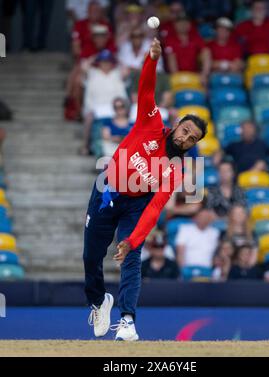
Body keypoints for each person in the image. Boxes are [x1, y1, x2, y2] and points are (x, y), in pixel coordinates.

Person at [83, 38, 207, 341]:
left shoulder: (175, 171)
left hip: (136, 206)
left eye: (192, 138)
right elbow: (146, 89)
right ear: (177, 125)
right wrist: (152, 60)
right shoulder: (151, 121)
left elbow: (154, 209)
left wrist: (132, 240)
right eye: (185, 130)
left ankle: (127, 320)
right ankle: (99, 302)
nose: (186, 138)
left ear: (193, 144)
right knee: (91, 256)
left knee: (132, 257)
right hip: (107, 192)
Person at [81, 49, 127, 155]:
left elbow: (126, 70)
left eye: (108, 61)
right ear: (99, 62)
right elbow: (84, 66)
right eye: (103, 61)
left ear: (112, 63)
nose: (105, 64)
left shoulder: (117, 73)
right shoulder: (93, 73)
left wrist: (116, 59)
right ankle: (85, 146)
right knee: (89, 117)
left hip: (116, 108)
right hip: (96, 108)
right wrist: (96, 56)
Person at [163, 13, 210, 85]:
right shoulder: (170, 39)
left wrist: (204, 74)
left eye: (186, 22)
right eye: (180, 22)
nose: (183, 25)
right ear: (175, 24)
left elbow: (206, 52)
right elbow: (171, 59)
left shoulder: (195, 37)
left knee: (206, 51)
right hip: (175, 75)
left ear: (189, 24)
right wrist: (178, 78)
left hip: (194, 74)